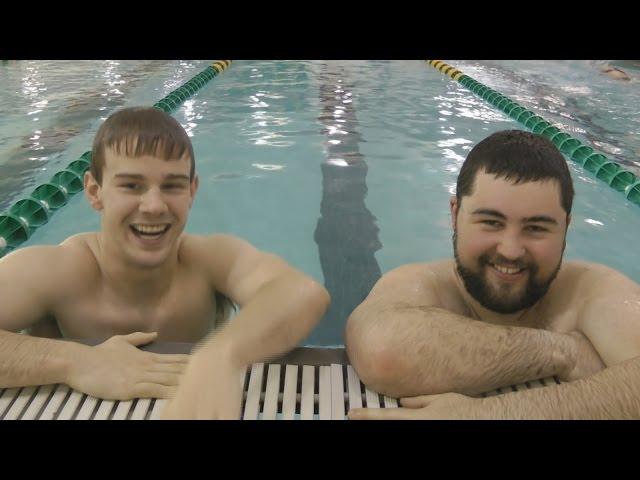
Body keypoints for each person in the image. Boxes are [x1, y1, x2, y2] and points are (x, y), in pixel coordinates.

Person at [0, 106, 330, 419]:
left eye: (172, 185)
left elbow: (301, 291)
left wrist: (222, 354)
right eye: (131, 185)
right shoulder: (60, 270)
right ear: (94, 191)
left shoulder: (206, 260)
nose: (155, 205)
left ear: (192, 191)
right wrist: (74, 361)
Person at [345, 130, 640, 419]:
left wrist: (485, 414)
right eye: (491, 222)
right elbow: (382, 350)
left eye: (536, 228)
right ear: (454, 214)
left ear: (565, 227)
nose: (511, 250)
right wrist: (564, 352)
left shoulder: (591, 290)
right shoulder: (423, 285)